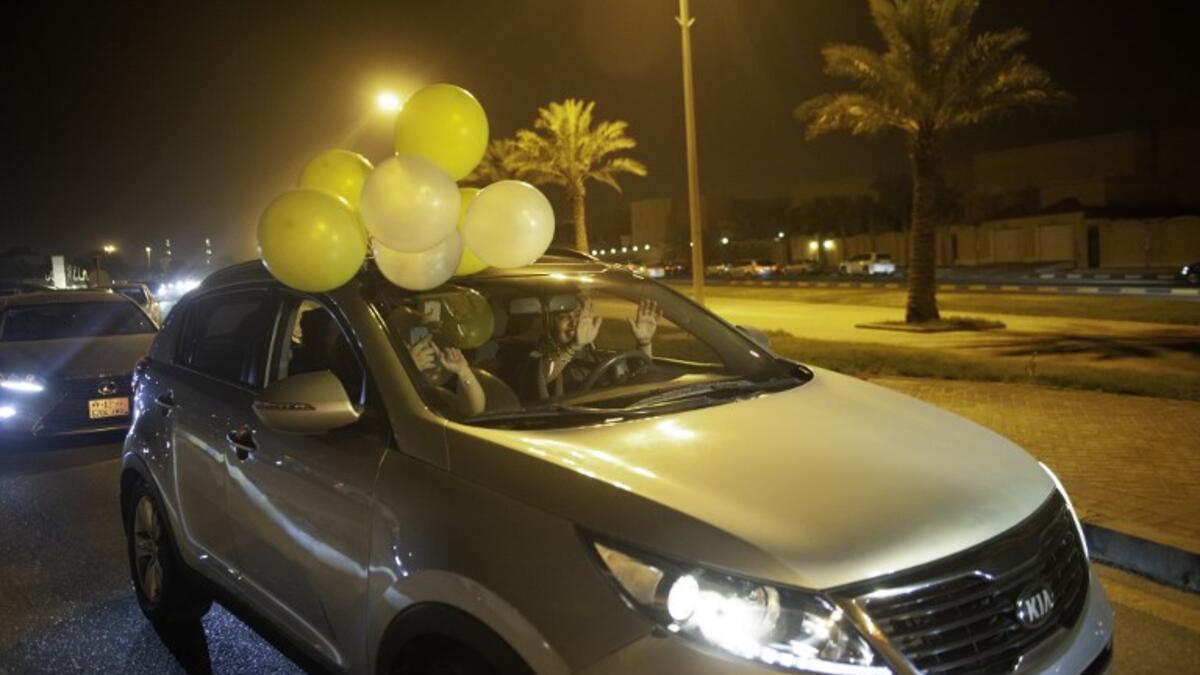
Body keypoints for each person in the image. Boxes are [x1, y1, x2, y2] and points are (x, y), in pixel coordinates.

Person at [527, 296, 659, 400]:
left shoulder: (591, 353)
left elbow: (642, 376)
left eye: (578, 315)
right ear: (549, 325)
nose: (574, 323)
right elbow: (542, 376)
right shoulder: (537, 356)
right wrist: (574, 346)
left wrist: (644, 343)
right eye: (563, 318)